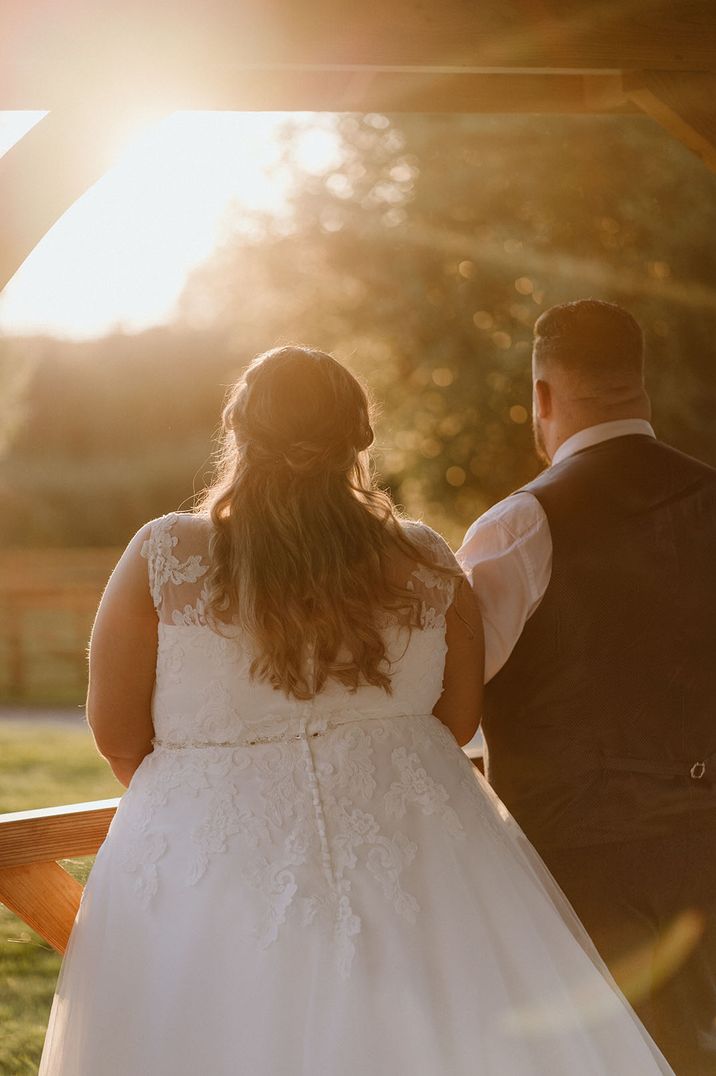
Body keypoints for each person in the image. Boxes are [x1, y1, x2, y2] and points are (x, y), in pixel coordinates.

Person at [40, 345, 670, 1075]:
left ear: (238, 429)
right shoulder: (427, 559)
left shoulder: (164, 553)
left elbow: (116, 733)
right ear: (359, 436)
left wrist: (206, 792)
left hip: (210, 860)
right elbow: (458, 721)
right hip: (414, 854)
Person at [459, 299, 716, 1075]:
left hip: (575, 871)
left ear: (542, 395)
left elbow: (447, 703)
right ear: (641, 386)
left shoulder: (519, 526)